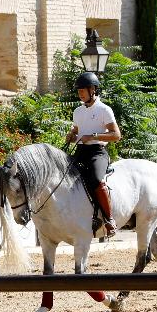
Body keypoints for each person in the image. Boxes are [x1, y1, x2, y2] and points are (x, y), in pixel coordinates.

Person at [65, 71, 122, 236]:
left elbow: (116, 135)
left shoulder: (105, 110)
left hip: (97, 152)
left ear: (93, 90)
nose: (79, 94)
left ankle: (109, 218)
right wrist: (71, 136)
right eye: (78, 91)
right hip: (81, 151)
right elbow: (76, 131)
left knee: (96, 179)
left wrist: (95, 136)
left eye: (82, 91)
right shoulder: (78, 111)